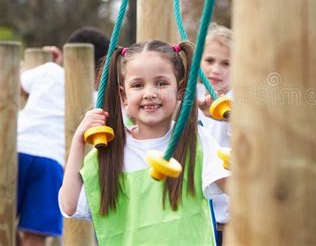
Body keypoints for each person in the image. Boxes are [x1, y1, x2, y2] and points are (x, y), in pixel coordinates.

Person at [59, 40, 231, 245]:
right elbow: (69, 205)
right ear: (124, 95)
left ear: (180, 89)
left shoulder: (194, 141)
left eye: (161, 83)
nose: (149, 93)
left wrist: (231, 118)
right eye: (138, 85)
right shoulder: (110, 150)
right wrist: (79, 139)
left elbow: (239, 192)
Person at [16, 27, 109, 246]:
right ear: (101, 69)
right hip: (50, 161)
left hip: (17, 149)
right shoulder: (95, 98)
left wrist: (55, 64)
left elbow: (18, 87)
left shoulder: (48, 71)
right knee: (35, 234)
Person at [197, 23, 233, 246]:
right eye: (209, 61)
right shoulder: (193, 96)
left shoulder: (239, 99)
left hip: (229, 213)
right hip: (199, 212)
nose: (216, 69)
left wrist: (225, 115)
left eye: (226, 63)